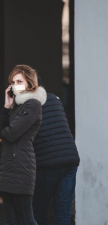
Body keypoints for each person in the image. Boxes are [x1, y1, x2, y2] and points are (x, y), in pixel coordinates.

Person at [0, 65, 47, 225]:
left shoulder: (32, 104)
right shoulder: (16, 106)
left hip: (21, 166)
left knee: (25, 218)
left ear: (29, 83)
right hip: (8, 166)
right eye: (13, 82)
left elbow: (11, 134)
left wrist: (4, 130)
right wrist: (6, 106)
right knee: (11, 219)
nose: (15, 85)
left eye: (19, 81)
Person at [32, 75, 80, 225]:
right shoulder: (54, 99)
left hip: (47, 162)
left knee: (38, 210)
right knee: (63, 210)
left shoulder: (27, 104)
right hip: (70, 159)